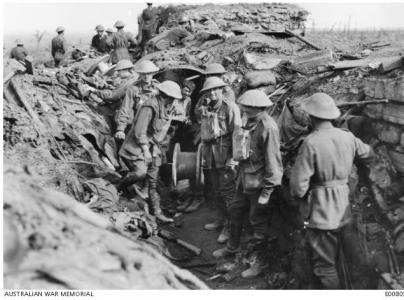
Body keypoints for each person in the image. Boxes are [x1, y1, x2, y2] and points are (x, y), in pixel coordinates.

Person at [289, 92, 374, 289]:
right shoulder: (347, 137)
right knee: (354, 259)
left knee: (325, 266)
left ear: (311, 117)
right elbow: (370, 154)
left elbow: (297, 186)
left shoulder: (311, 142)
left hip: (321, 213)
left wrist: (299, 200)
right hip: (345, 208)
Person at [213, 90, 283, 279]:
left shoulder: (268, 128)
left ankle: (259, 262)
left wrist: (267, 191)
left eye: (246, 107)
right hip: (243, 180)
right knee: (235, 211)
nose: (243, 109)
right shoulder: (249, 122)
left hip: (259, 185)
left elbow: (273, 162)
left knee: (257, 223)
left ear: (256, 108)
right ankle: (232, 247)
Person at [117, 80, 183, 223]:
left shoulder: (167, 107)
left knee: (152, 181)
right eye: (173, 99)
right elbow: (139, 132)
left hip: (155, 148)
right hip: (138, 147)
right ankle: (120, 186)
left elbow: (163, 128)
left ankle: (158, 213)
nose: (174, 102)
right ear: (166, 96)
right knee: (140, 173)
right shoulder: (149, 106)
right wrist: (146, 150)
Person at [197, 77, 241, 243]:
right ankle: (220, 219)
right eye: (210, 90)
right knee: (216, 190)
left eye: (216, 89)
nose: (213, 93)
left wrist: (233, 158)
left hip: (225, 156)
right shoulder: (207, 107)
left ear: (223, 90)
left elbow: (236, 134)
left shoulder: (230, 108)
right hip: (211, 156)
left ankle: (230, 227)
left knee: (228, 193)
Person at [114, 60, 160, 136]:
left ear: (153, 73)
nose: (146, 76)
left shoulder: (158, 88)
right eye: (143, 74)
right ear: (140, 74)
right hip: (136, 125)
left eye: (148, 73)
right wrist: (120, 129)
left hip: (153, 127)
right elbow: (126, 109)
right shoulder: (133, 89)